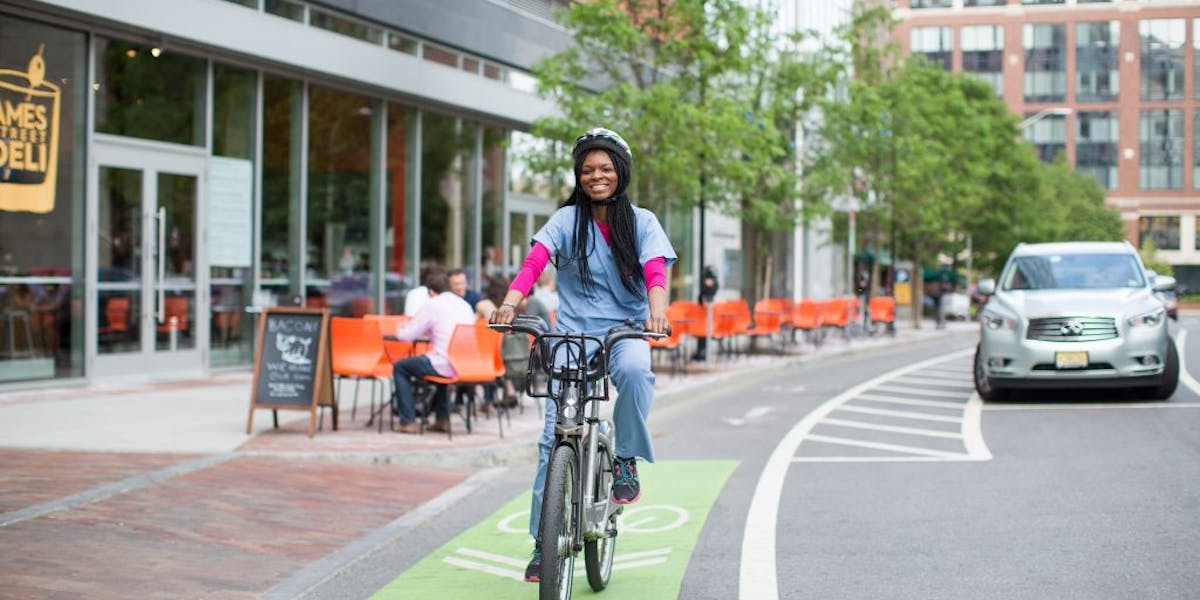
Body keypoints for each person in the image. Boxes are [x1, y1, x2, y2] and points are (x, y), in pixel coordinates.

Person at [490, 127, 675, 583]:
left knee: (634, 371)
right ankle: (542, 543)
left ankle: (626, 458)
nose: (597, 176)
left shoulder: (643, 222)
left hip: (627, 328)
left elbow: (655, 273)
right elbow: (534, 262)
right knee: (552, 439)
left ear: (621, 173)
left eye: (606, 168)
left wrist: (656, 314)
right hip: (573, 334)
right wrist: (511, 303)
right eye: (588, 169)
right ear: (579, 175)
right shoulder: (565, 220)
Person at [389, 268, 475, 433]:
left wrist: (400, 328)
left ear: (431, 291)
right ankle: (442, 419)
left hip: (445, 364)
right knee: (438, 368)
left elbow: (407, 335)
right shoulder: (464, 305)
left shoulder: (433, 303)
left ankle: (408, 421)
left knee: (401, 367)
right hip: (465, 364)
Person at [690, 265, 719, 361]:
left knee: (705, 331)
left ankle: (703, 353)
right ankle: (701, 352)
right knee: (702, 332)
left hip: (707, 319)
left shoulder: (711, 288)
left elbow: (712, 290)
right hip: (701, 318)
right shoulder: (703, 291)